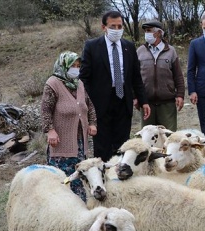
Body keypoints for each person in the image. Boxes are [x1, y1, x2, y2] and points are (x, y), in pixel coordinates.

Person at [79, 11, 150, 163]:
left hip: (123, 100)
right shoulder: (92, 46)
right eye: (113, 26)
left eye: (120, 26)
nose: (117, 30)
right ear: (104, 27)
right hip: (100, 103)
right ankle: (103, 177)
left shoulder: (129, 46)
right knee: (102, 146)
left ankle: (120, 175)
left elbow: (136, 76)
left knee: (122, 144)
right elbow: (84, 77)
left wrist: (143, 101)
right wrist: (87, 102)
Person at [41, 51, 97, 201]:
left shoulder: (79, 84)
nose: (76, 69)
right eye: (73, 65)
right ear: (63, 66)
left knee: (80, 177)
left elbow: (89, 106)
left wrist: (92, 123)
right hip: (61, 144)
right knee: (62, 180)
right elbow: (46, 109)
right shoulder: (53, 84)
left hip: (80, 143)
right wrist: (50, 130)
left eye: (78, 66)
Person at [137, 20, 185, 131]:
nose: (146, 33)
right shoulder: (140, 51)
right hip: (146, 103)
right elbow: (135, 77)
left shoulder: (171, 51)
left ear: (158, 33)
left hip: (167, 103)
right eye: (145, 31)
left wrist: (180, 95)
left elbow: (178, 75)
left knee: (168, 136)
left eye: (149, 31)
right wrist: (135, 97)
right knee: (148, 138)